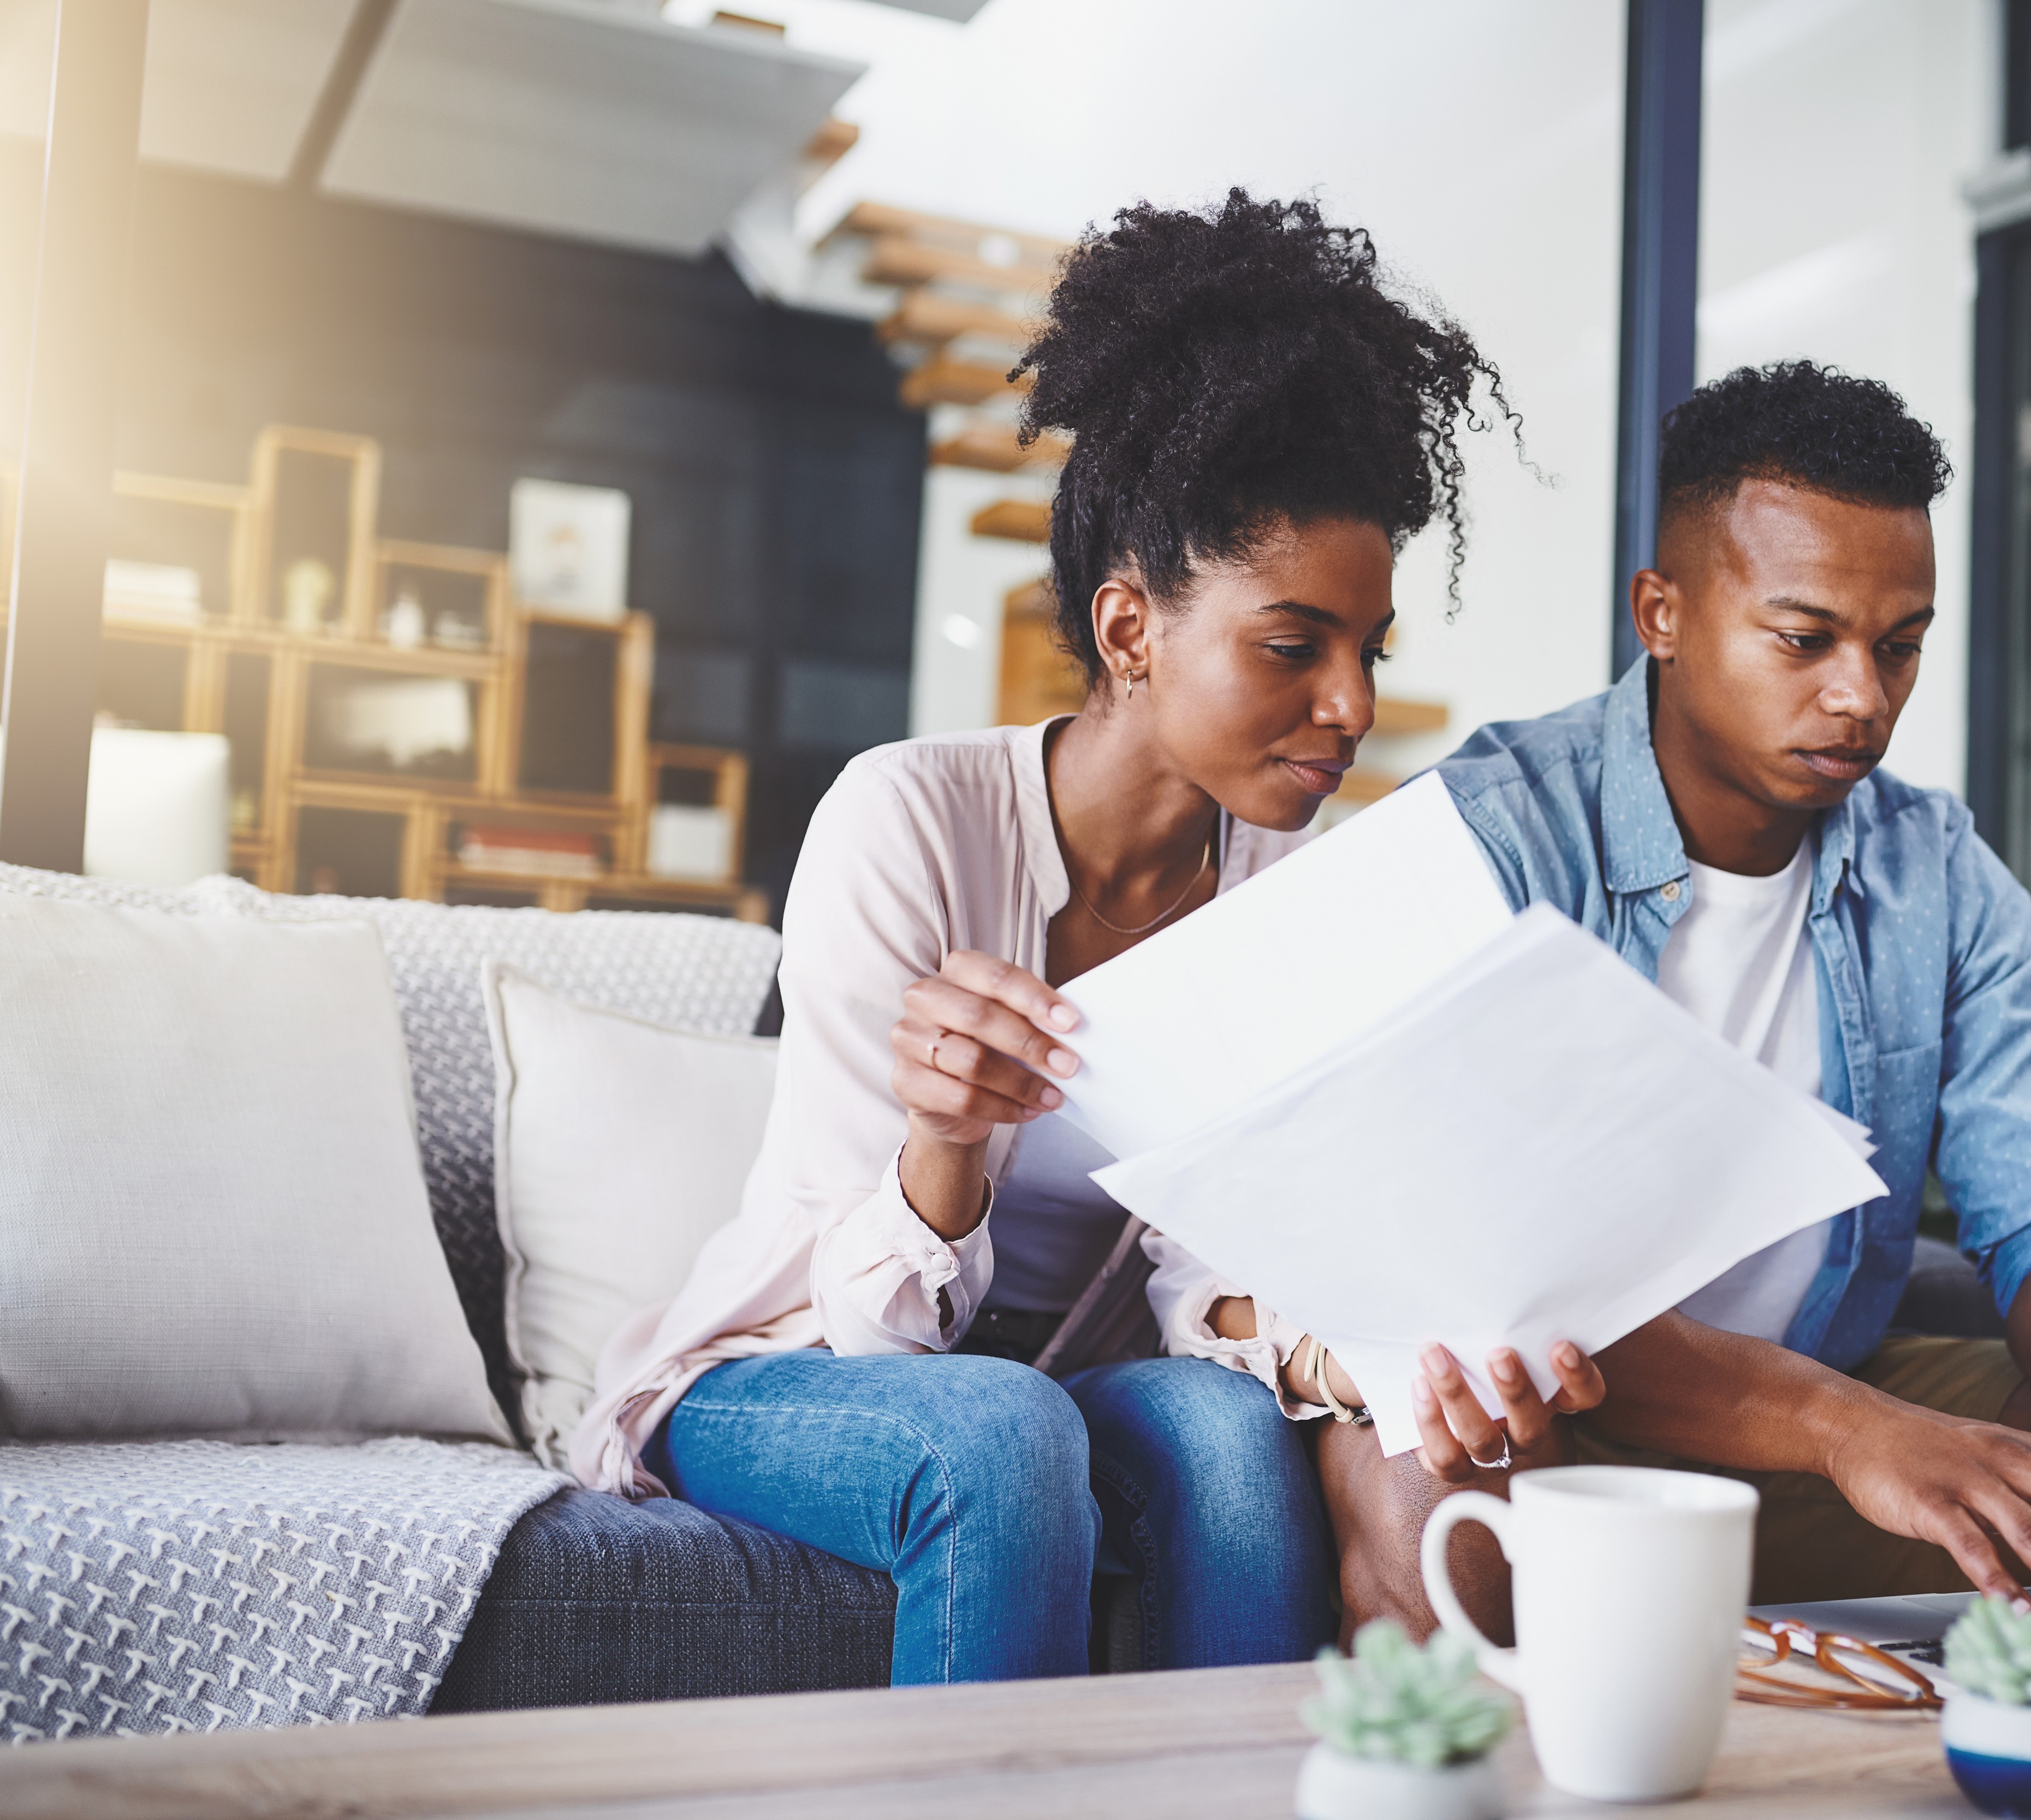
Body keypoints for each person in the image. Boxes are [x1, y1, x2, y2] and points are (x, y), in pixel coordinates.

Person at [569, 191, 1591, 1685]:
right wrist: (943, 1142)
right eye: (1292, 645)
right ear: (1130, 631)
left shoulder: (1288, 892)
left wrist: (1351, 1359)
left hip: (1077, 1374)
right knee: (1002, 1429)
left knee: (1234, 1442)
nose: (1353, 707)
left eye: (1368, 651)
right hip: (798, 1363)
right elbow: (877, 1337)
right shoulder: (903, 820)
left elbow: (1205, 1277)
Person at [1320, 360, 2031, 1636]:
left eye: (1899, 647)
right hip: (1552, 1415)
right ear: (1661, 612)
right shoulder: (1489, 840)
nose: (1863, 696)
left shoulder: (1933, 870)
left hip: (1815, 1401)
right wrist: (1852, 1433)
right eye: (1807, 638)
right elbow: (1517, 1285)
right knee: (1423, 1475)